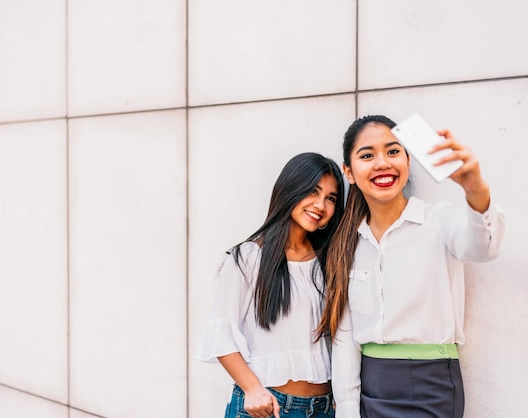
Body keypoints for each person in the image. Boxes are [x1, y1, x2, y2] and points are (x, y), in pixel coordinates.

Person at [317, 115, 505, 418]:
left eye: (393, 151)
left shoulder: (438, 220)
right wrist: (348, 408)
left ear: (407, 159)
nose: (382, 163)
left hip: (432, 384)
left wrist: (475, 189)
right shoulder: (347, 242)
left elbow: (484, 247)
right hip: (371, 387)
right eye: (367, 155)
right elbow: (345, 333)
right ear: (349, 172)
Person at [197, 152, 345, 418]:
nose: (321, 205)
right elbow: (222, 335)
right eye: (313, 191)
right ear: (290, 189)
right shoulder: (248, 258)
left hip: (325, 409)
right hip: (270, 408)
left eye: (331, 198)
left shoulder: (329, 262)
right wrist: (252, 389)